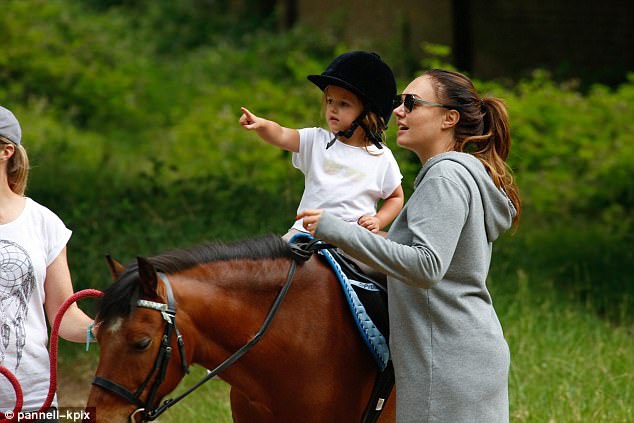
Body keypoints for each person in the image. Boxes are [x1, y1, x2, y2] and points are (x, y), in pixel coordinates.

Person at [298, 69, 521, 422]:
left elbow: (426, 265)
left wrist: (337, 230)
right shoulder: (460, 173)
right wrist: (373, 242)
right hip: (462, 354)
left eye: (412, 103)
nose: (399, 111)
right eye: (399, 102)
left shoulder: (446, 176)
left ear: (450, 118)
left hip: (448, 362)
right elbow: (435, 260)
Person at [240, 51, 404, 240]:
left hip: (354, 238)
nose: (333, 109)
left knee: (393, 261)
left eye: (344, 104)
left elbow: (395, 197)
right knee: (278, 260)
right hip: (305, 232)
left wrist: (378, 220)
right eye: (329, 101)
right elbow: (282, 135)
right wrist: (262, 125)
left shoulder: (381, 157)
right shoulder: (315, 140)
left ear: (369, 114)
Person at [0, 105, 96, 421]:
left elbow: (63, 315)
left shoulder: (42, 222)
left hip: (32, 399)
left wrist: (109, 329)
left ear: (6, 151)